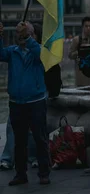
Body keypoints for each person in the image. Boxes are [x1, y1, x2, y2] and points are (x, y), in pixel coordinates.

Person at [0, 21, 50, 185]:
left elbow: (40, 54)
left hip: (36, 101)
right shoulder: (12, 52)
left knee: (40, 138)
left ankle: (44, 172)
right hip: (16, 102)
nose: (22, 37)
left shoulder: (40, 51)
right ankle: (20, 173)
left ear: (34, 36)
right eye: (20, 35)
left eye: (27, 35)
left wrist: (28, 36)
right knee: (19, 141)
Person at [68, 17, 90, 87]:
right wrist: (79, 53)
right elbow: (70, 55)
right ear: (83, 27)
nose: (88, 28)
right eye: (86, 26)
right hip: (81, 72)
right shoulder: (77, 40)